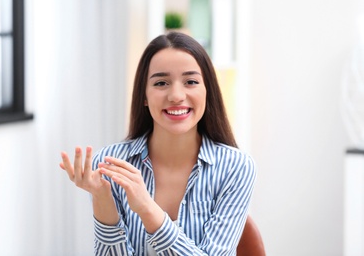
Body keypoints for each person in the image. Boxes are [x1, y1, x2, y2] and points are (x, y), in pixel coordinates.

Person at [60, 31, 257, 255]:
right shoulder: (111, 165)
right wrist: (102, 200)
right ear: (144, 95)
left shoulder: (236, 167)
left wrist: (147, 208)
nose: (176, 95)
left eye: (190, 81)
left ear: (207, 91)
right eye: (161, 83)